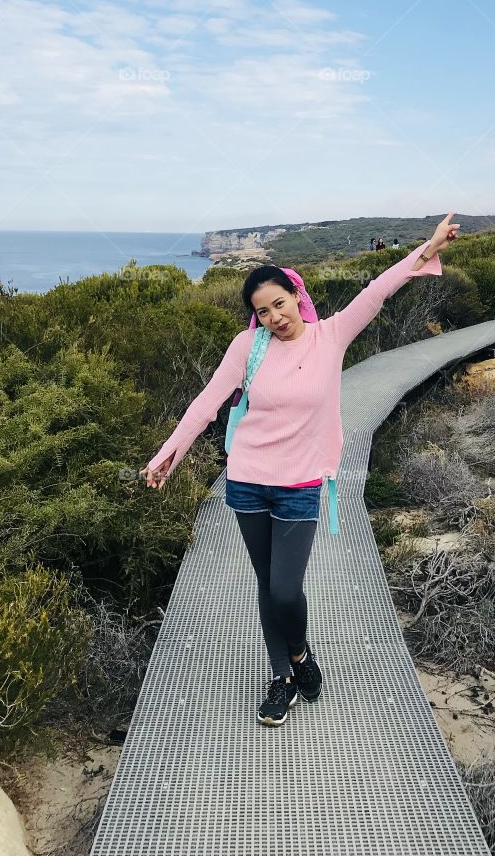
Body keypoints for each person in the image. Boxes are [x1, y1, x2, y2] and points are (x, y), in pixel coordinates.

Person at [140, 212, 461, 727]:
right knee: (267, 586)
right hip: (247, 482)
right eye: (261, 311)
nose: (273, 317)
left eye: (279, 303)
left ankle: (298, 655)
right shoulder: (247, 348)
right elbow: (206, 403)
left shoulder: (329, 337)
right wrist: (167, 456)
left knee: (286, 588)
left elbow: (378, 290)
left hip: (300, 485)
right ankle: (285, 677)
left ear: (296, 295)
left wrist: (427, 249)